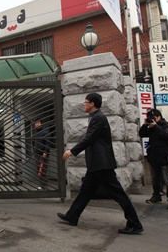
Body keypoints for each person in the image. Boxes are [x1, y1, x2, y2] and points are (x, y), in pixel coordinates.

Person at [57, 93, 144, 234]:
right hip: (96, 164)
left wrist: (72, 151)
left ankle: (135, 224)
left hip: (102, 164)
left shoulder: (99, 118)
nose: (83, 105)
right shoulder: (95, 117)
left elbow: (89, 138)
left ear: (92, 104)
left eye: (85, 102)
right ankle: (72, 216)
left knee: (118, 194)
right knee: (86, 191)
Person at [139, 108, 168, 210]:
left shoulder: (166, 126)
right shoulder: (151, 127)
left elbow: (167, 135)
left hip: (165, 158)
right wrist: (145, 124)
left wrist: (155, 126)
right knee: (155, 180)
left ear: (159, 117)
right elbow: (141, 134)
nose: (151, 120)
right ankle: (156, 196)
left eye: (153, 118)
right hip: (154, 158)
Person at [33, 120, 51, 188]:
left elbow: (48, 143)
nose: (37, 124)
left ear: (41, 124)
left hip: (43, 154)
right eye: (36, 123)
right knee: (39, 170)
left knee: (42, 170)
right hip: (37, 154)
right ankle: (42, 184)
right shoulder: (36, 133)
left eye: (38, 123)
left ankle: (43, 185)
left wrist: (45, 152)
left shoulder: (45, 132)